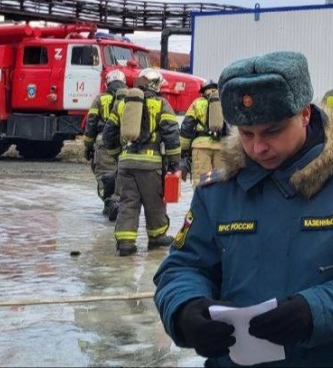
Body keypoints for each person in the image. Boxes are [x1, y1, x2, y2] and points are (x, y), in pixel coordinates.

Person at [153, 51, 333, 366]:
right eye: (246, 134)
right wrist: (184, 309)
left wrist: (314, 311)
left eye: (272, 131)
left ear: (304, 114)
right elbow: (183, 267)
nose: (258, 147)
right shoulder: (217, 191)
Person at [102, 68, 181, 256]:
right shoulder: (161, 104)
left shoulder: (122, 104)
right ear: (155, 85)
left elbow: (109, 135)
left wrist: (117, 156)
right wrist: (175, 164)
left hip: (126, 164)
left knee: (128, 202)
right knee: (154, 202)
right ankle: (156, 237)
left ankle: (125, 243)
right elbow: (171, 135)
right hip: (150, 165)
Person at [83, 69, 127, 220]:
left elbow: (91, 123)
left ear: (107, 82)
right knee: (122, 175)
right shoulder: (131, 99)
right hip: (125, 144)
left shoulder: (100, 99)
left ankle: (111, 205)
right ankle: (118, 205)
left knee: (104, 176)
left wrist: (88, 146)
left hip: (104, 143)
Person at [179, 80, 229, 187]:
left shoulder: (197, 103)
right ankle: (217, 203)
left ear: (203, 91)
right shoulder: (224, 103)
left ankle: (201, 203)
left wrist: (183, 148)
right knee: (220, 182)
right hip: (220, 146)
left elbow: (187, 126)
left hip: (201, 146)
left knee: (201, 181)